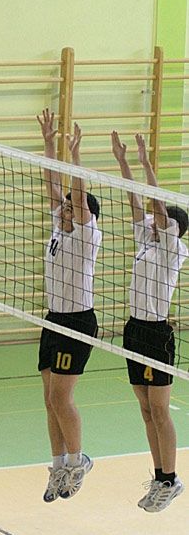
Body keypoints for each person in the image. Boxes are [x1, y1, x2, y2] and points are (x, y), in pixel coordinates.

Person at [111, 131, 187, 512]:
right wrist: (124, 162)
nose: (155, 221)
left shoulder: (174, 248)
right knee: (145, 409)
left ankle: (171, 479)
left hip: (157, 333)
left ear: (173, 227)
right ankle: (159, 476)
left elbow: (155, 203)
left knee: (159, 409)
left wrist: (145, 163)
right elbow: (135, 201)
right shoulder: (147, 239)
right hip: (134, 331)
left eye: (162, 219)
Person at [36, 109, 102, 502]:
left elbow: (75, 193)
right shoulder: (59, 228)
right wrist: (48, 144)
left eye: (70, 208)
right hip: (54, 319)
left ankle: (78, 461)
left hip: (77, 322)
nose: (63, 209)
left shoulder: (86, 235)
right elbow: (53, 185)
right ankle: (59, 465)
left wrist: (75, 157)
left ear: (84, 215)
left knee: (61, 397)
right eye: (63, 207)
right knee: (50, 400)